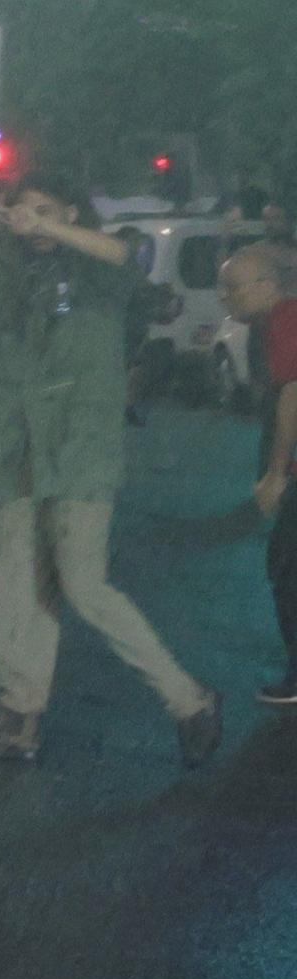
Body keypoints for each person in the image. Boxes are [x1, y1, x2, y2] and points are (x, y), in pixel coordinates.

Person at [0, 174, 218, 767]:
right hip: (17, 454)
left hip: (78, 454)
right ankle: (18, 715)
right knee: (16, 589)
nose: (30, 222)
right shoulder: (2, 271)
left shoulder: (99, 266)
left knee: (83, 587)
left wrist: (44, 225)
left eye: (46, 211)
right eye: (22, 212)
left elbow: (126, 255)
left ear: (71, 212)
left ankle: (188, 699)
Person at [217, 246, 297, 712]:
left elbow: (293, 395)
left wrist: (276, 473)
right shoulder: (274, 322)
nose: (225, 297)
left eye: (233, 286)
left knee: (287, 570)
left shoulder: (286, 320)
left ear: (267, 285)